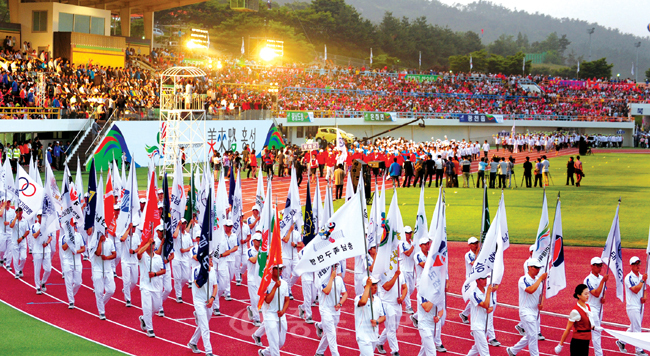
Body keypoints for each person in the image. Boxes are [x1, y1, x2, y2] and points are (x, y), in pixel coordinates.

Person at [507, 259, 547, 356]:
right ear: (529, 267)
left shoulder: (538, 281)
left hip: (535, 312)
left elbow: (541, 294)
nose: (538, 270)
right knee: (533, 336)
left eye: (539, 268)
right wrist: (540, 279)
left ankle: (512, 350)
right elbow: (530, 290)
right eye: (536, 267)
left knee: (530, 335)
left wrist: (541, 303)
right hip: (526, 311)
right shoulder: (523, 279)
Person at [615, 256, 648, 355]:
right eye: (635, 264)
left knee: (634, 326)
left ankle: (621, 341)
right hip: (632, 306)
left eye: (639, 264)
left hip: (640, 305)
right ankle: (639, 350)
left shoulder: (641, 276)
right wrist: (642, 280)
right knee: (637, 327)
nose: (638, 266)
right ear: (631, 265)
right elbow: (635, 289)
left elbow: (644, 289)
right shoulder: (628, 278)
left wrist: (644, 297)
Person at [187, 251, 218, 356]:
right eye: (209, 257)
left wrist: (212, 298)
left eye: (211, 257)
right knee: (205, 326)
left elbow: (215, 286)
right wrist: (205, 271)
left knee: (203, 323)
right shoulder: (196, 270)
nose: (211, 259)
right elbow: (198, 284)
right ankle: (209, 351)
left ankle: (193, 342)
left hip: (209, 301)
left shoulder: (213, 271)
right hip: (199, 301)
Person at [314, 263, 348, 356]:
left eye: (336, 267)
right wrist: (331, 278)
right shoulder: (321, 279)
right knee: (332, 335)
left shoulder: (339, 279)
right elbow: (326, 291)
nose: (336, 269)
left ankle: (319, 353)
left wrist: (340, 304)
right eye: (334, 266)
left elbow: (345, 294)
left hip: (336, 311)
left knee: (328, 333)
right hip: (325, 310)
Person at [257, 264, 290, 356]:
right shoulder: (265, 283)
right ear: (272, 269)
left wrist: (283, 311)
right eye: (278, 268)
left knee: (280, 342)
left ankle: (264, 353)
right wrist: (275, 286)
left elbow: (287, 300)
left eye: (282, 268)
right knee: (274, 342)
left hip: (281, 315)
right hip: (269, 314)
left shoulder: (284, 283)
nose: (281, 270)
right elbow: (267, 300)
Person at [555, 284, 596, 356]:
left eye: (588, 293)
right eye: (585, 294)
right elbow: (568, 329)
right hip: (578, 343)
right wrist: (560, 344)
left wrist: (595, 328)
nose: (588, 296)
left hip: (586, 342)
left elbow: (589, 323)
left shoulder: (588, 307)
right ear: (579, 295)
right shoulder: (575, 312)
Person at [137, 236, 166, 338]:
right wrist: (147, 244)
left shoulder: (158, 257)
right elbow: (139, 253)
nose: (152, 245)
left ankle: (144, 319)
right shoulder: (143, 256)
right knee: (147, 307)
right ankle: (150, 329)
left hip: (156, 286)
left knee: (157, 307)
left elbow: (164, 270)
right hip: (145, 286)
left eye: (153, 243)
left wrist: (154, 274)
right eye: (151, 243)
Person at [376, 262, 407, 356]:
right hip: (387, 304)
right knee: (391, 329)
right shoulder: (384, 274)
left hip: (397, 304)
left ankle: (379, 342)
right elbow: (387, 287)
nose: (397, 265)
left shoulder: (400, 274)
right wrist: (395, 275)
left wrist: (402, 298)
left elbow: (405, 287)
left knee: (392, 327)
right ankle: (395, 351)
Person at [355, 276, 386, 356]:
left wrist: (377, 321)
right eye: (373, 284)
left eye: (376, 284)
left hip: (374, 336)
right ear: (366, 286)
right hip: (363, 337)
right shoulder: (358, 298)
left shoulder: (378, 300)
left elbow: (383, 316)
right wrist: (368, 287)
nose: (376, 287)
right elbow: (363, 302)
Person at [584, 257, 608, 356]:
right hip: (591, 307)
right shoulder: (588, 279)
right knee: (597, 330)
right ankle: (599, 354)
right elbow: (596, 293)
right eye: (598, 265)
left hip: (599, 308)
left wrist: (604, 297)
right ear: (592, 266)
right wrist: (603, 281)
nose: (600, 267)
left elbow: (603, 291)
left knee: (595, 331)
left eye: (601, 265)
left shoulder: (601, 277)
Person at [467, 276, 496, 356]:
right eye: (483, 279)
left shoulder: (487, 290)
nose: (485, 281)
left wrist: (491, 308)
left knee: (476, 349)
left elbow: (491, 305)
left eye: (486, 279)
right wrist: (488, 293)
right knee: (484, 350)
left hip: (485, 325)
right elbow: (485, 305)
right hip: (477, 325)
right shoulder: (474, 294)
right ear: (477, 280)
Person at [91, 231, 116, 320]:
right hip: (98, 270)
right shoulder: (94, 242)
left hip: (108, 270)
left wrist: (107, 258)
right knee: (99, 292)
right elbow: (98, 253)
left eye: (105, 230)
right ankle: (101, 312)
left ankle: (101, 303)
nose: (105, 232)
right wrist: (100, 242)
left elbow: (114, 254)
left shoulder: (110, 241)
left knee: (111, 290)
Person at [61, 220, 85, 309]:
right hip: (68, 261)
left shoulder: (79, 236)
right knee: (69, 282)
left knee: (78, 282)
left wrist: (77, 251)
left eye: (74, 225)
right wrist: (69, 240)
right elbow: (63, 248)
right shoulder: (64, 237)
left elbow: (83, 248)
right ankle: (71, 301)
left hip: (77, 261)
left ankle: (71, 294)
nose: (73, 226)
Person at [31, 211, 53, 294]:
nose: (41, 217)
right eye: (40, 216)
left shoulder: (48, 226)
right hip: (37, 250)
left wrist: (47, 243)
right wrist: (41, 228)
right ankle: (37, 287)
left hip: (46, 250)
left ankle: (43, 281)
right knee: (37, 269)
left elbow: (50, 237)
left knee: (48, 269)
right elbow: (34, 235)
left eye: (43, 216)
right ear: (38, 216)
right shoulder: (34, 226)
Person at [120, 223, 141, 307]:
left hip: (134, 261)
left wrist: (134, 251)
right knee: (126, 280)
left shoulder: (136, 236)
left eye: (135, 227)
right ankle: (128, 299)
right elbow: (122, 239)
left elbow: (139, 247)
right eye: (133, 227)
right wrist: (128, 229)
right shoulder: (124, 234)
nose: (134, 229)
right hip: (125, 261)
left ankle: (126, 290)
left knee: (135, 281)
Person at [459, 237, 479, 324]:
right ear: (469, 245)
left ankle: (464, 314)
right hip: (471, 279)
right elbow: (474, 264)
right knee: (475, 298)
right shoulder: (468, 255)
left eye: (476, 243)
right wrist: (478, 254)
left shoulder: (479, 253)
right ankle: (469, 315)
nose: (476, 245)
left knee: (476, 298)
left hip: (477, 278)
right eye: (474, 243)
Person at [173, 218, 193, 303]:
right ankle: (179, 295)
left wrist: (185, 250)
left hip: (185, 258)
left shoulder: (187, 235)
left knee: (185, 277)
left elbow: (191, 246)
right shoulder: (176, 233)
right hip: (176, 258)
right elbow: (174, 236)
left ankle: (178, 287)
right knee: (177, 278)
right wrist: (178, 225)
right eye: (182, 223)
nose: (184, 225)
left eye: (185, 224)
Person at [247, 233, 262, 327]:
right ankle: (256, 319)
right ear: (253, 241)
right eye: (257, 240)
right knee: (255, 299)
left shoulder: (264, 251)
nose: (259, 242)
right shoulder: (249, 250)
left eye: (260, 240)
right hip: (252, 279)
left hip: (260, 278)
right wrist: (260, 252)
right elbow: (253, 260)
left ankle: (251, 309)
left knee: (260, 299)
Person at [399, 226, 416, 315]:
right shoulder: (402, 243)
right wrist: (414, 246)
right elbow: (408, 254)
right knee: (407, 288)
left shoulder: (412, 243)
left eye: (410, 233)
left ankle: (402, 297)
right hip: (404, 270)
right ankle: (408, 307)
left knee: (412, 288)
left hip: (412, 270)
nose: (410, 235)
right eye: (408, 233)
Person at [10, 207, 28, 278]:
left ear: (22, 212)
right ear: (15, 212)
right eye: (18, 211)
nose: (19, 213)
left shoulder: (25, 221)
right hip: (15, 242)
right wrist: (15, 218)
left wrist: (22, 237)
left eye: (20, 211)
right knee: (15, 258)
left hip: (22, 242)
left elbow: (27, 231)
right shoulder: (12, 220)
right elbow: (11, 226)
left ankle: (20, 269)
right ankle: (17, 272)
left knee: (23, 258)